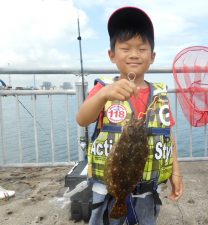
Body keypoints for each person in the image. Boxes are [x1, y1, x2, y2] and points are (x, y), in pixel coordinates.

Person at [76, 6, 183, 225]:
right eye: (125, 48)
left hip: (146, 192)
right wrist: (103, 95)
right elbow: (82, 119)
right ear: (112, 55)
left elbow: (168, 136)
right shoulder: (103, 90)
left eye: (141, 48)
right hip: (107, 191)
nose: (134, 54)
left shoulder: (159, 95)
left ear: (152, 56)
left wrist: (176, 172)